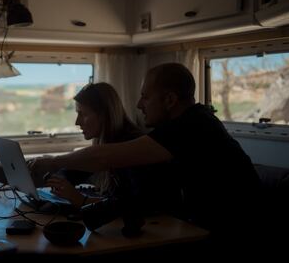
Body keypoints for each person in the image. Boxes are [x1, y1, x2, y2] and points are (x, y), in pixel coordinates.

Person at [30, 63, 261, 242]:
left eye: (145, 97)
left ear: (170, 99)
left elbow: (106, 158)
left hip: (232, 230)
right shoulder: (190, 123)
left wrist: (53, 161)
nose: (139, 105)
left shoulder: (192, 126)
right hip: (205, 226)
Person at [41, 82, 143, 208]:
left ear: (104, 115)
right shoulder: (106, 140)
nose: (77, 122)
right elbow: (74, 171)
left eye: (83, 114)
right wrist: (58, 179)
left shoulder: (133, 146)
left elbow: (134, 206)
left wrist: (80, 199)